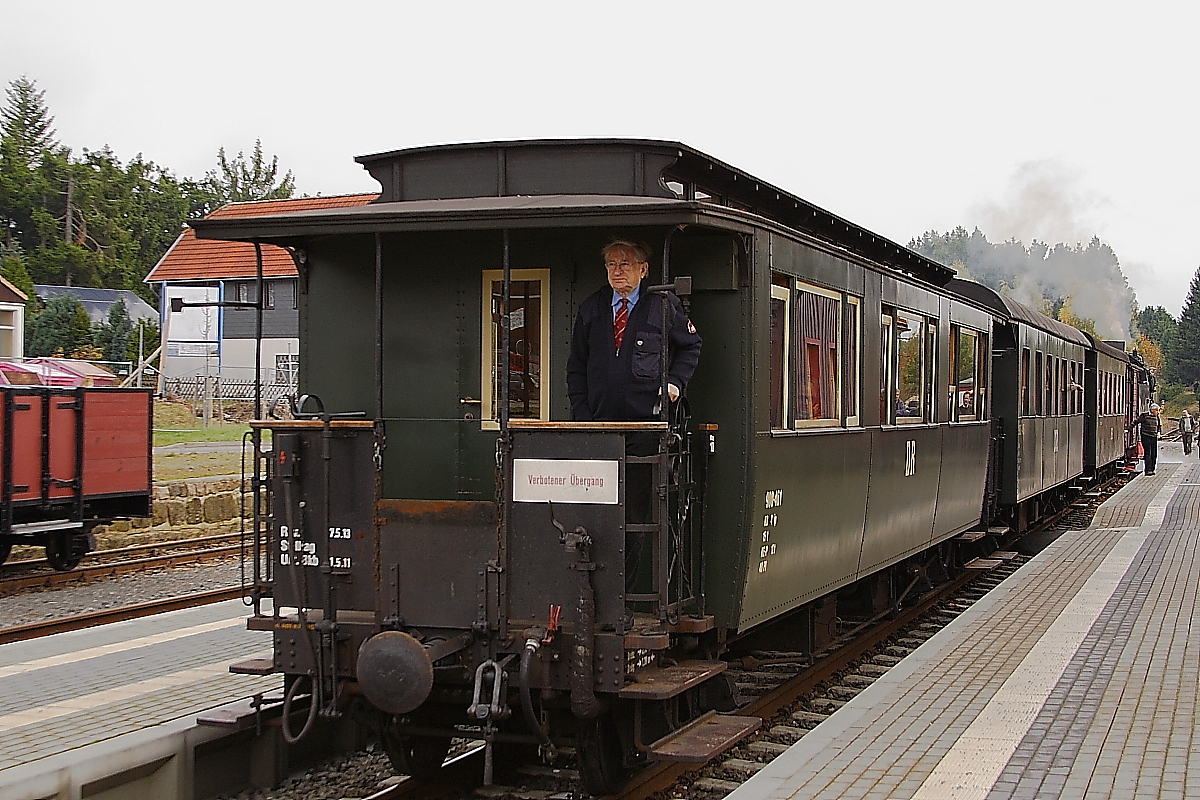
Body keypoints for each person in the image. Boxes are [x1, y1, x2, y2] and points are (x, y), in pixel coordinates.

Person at [566, 239, 702, 593]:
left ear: (644, 269)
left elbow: (691, 346)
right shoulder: (593, 308)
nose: (617, 270)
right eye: (611, 264)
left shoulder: (662, 305)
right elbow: (576, 368)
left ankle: (622, 601)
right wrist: (583, 417)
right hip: (599, 432)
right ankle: (593, 598)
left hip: (645, 432)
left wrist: (674, 383)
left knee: (634, 520)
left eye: (625, 264)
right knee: (596, 517)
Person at [1131, 403, 1163, 475]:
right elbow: (1136, 422)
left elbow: (1159, 426)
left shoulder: (1157, 417)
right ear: (1152, 410)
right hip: (1146, 436)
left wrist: (1159, 433)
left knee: (1154, 454)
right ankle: (1148, 470)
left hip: (1154, 436)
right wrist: (1129, 428)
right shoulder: (1144, 416)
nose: (1158, 412)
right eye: (1157, 410)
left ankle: (1152, 469)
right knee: (1148, 453)